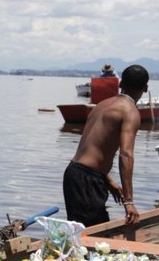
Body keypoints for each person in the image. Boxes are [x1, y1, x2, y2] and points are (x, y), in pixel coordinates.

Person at [63, 64, 148, 227]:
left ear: (120, 84)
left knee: (88, 233)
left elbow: (89, 149)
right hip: (88, 180)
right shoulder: (130, 111)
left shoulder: (102, 105)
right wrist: (128, 201)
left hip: (73, 172)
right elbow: (126, 155)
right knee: (91, 237)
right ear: (145, 88)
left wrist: (108, 180)